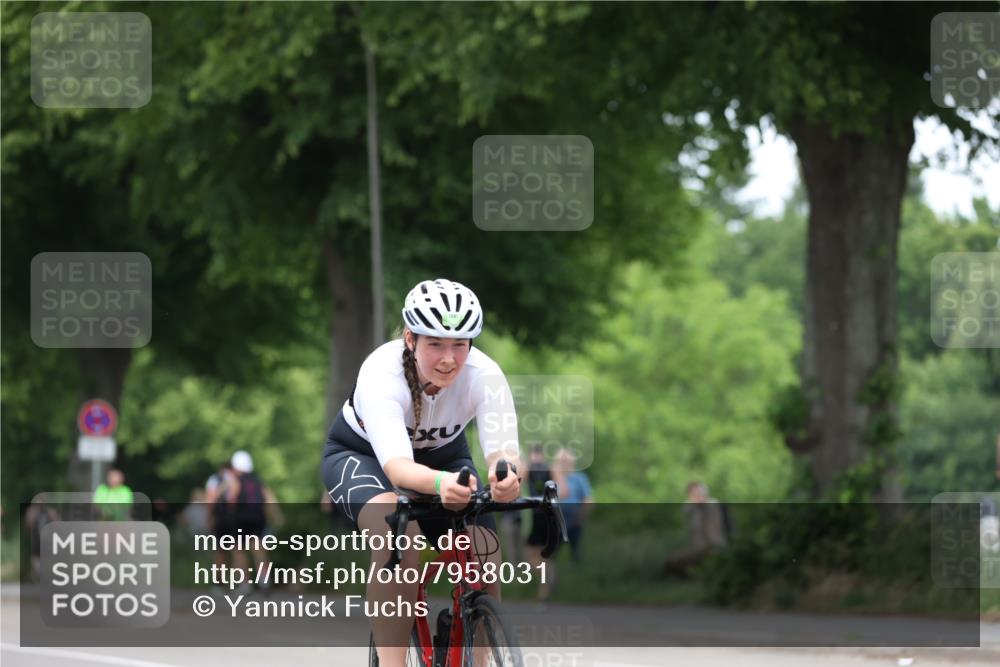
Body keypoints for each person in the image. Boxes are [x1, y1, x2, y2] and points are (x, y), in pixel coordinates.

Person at [321, 278, 522, 667]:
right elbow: (397, 468)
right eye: (436, 344)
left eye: (460, 345)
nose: (449, 358)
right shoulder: (382, 372)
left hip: (444, 458)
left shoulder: (484, 373)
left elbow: (504, 449)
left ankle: (478, 658)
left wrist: (507, 476)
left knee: (485, 549)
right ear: (410, 339)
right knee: (401, 541)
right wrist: (439, 484)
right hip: (363, 457)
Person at [662, 481, 729, 578]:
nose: (700, 496)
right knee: (671, 561)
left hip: (717, 548)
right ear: (691, 496)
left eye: (702, 493)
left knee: (713, 558)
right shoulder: (691, 509)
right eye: (696, 494)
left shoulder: (716, 506)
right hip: (698, 550)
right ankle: (691, 578)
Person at [524, 446, 556, 602]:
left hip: (534, 516)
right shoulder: (548, 469)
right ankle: (546, 583)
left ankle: (545, 586)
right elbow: (562, 491)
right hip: (546, 514)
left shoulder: (531, 469)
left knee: (532, 556)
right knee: (541, 556)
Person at [552, 448, 593, 563]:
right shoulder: (552, 478)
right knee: (552, 551)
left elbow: (588, 499)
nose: (564, 464)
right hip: (556, 521)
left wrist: (579, 517)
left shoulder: (579, 478)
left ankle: (577, 573)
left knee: (575, 550)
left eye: (566, 461)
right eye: (561, 461)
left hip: (574, 520)